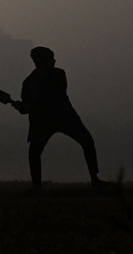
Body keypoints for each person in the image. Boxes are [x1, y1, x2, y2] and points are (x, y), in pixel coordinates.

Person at [12, 46, 109, 192]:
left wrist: (28, 107)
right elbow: (28, 106)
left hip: (63, 116)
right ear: (41, 60)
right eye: (51, 58)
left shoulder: (58, 74)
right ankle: (37, 186)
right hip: (45, 120)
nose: (54, 61)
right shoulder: (29, 82)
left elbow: (53, 97)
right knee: (34, 152)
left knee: (87, 141)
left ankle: (94, 178)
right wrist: (22, 107)